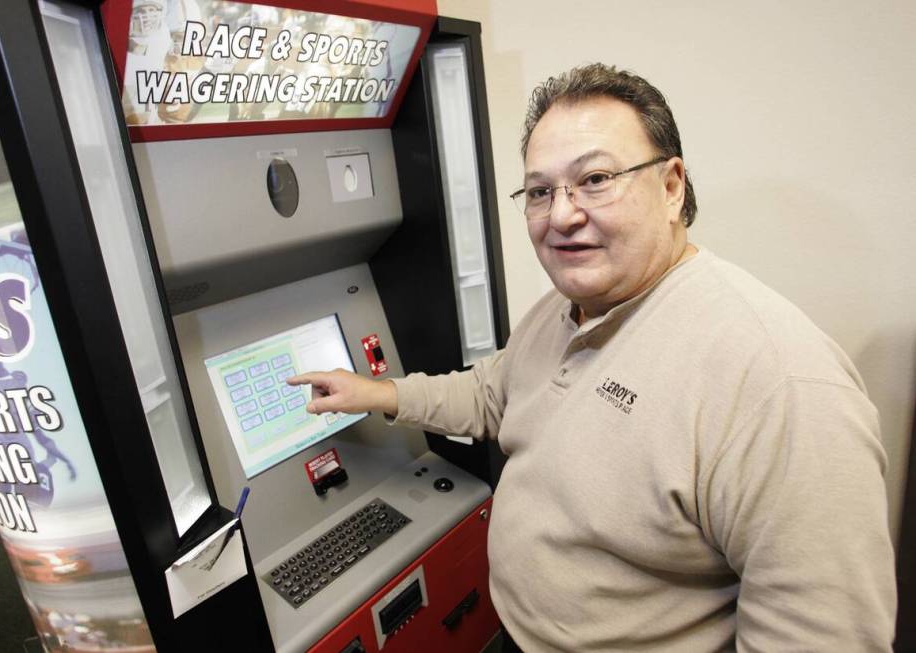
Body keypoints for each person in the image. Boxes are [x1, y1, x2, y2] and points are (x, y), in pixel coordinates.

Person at [289, 63, 896, 651]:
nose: (561, 214)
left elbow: (823, 632)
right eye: (540, 191)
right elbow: (493, 395)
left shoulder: (780, 382)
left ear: (670, 186)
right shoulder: (566, 308)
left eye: (596, 179)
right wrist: (377, 393)